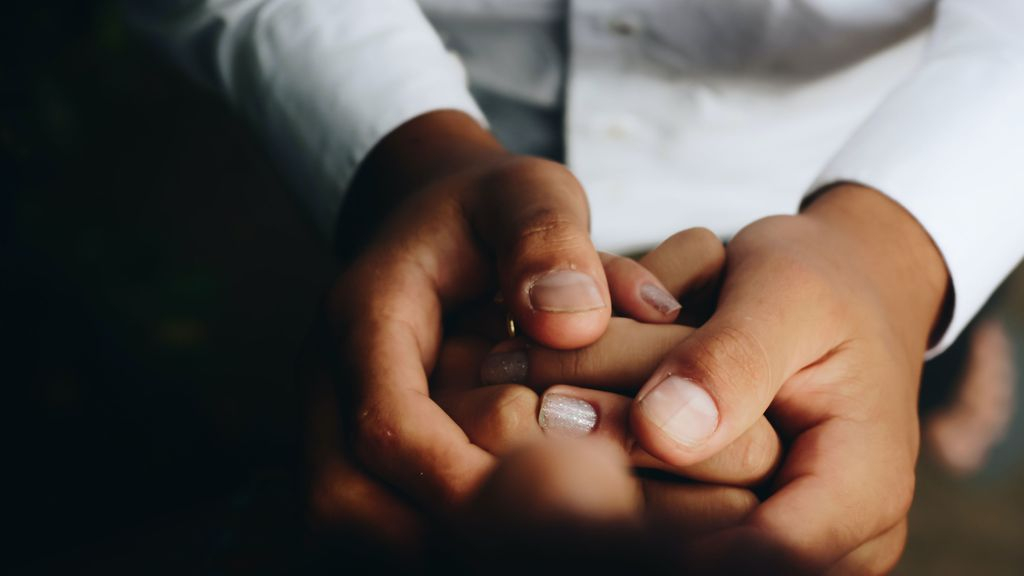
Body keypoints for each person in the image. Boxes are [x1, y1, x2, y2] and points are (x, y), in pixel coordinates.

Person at [127, 0, 1024, 572]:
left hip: (852, 159)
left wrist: (901, 251)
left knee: (889, 371)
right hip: (437, 182)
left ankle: (944, 358)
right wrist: (408, 157)